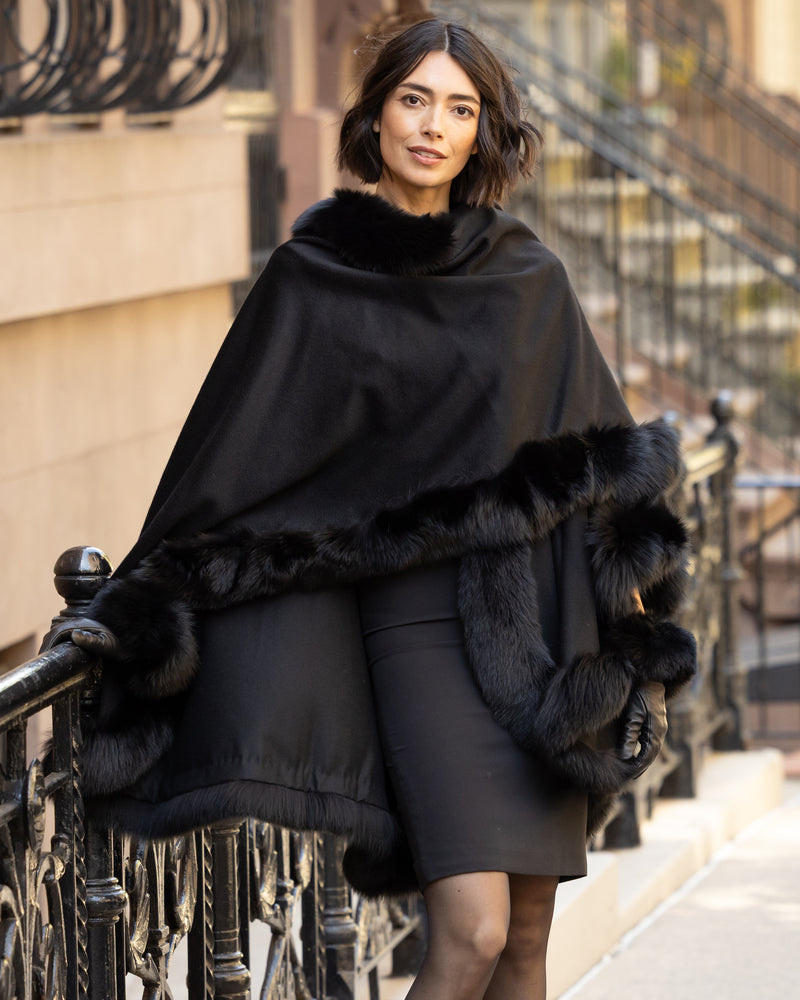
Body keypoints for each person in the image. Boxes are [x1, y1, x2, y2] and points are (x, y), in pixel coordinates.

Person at [63, 17, 695, 1000]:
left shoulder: (523, 272)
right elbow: (238, 453)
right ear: (375, 113)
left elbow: (606, 456)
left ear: (482, 129)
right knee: (473, 927)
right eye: (414, 99)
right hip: (412, 620)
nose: (433, 127)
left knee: (527, 933)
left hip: (543, 618)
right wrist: (145, 605)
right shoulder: (315, 273)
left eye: (458, 107)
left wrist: (636, 624)